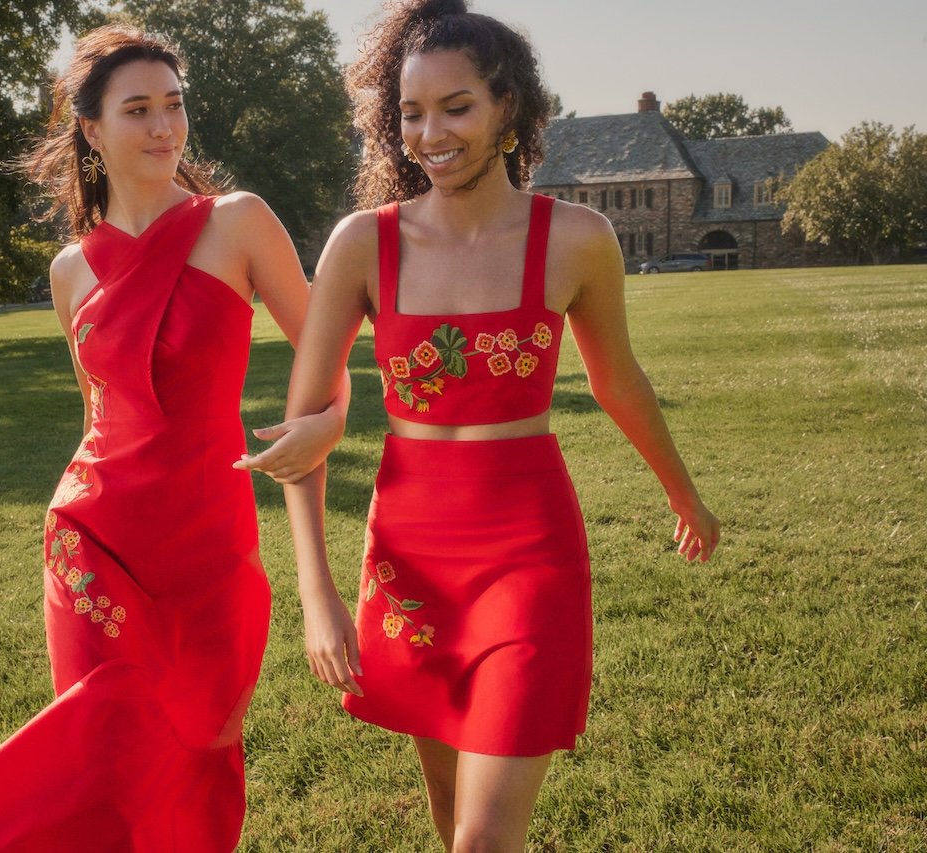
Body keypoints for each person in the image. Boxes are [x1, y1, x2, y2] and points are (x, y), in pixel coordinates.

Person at [257, 1, 721, 849]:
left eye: (456, 107)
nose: (429, 133)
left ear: (509, 107)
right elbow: (304, 424)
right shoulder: (363, 244)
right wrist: (317, 594)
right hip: (408, 556)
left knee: (484, 834)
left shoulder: (577, 239)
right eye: (410, 113)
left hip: (528, 551)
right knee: (448, 808)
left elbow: (617, 379)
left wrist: (684, 494)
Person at [0, 24, 344, 852]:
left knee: (200, 761)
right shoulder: (69, 271)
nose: (165, 127)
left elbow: (328, 365)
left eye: (175, 105)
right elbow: (99, 415)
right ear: (91, 129)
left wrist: (328, 422)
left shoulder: (238, 223)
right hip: (94, 541)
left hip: (208, 545)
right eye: (138, 110)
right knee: (108, 760)